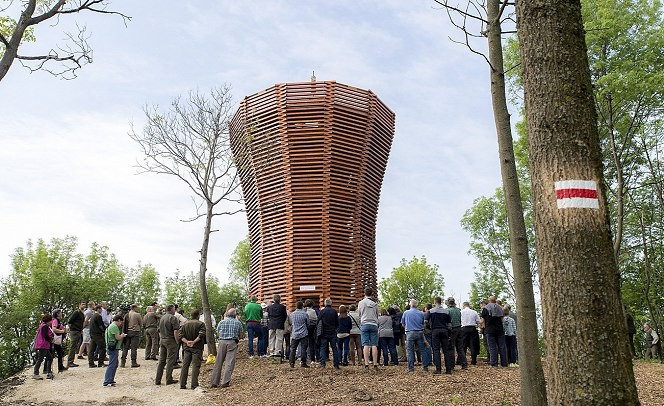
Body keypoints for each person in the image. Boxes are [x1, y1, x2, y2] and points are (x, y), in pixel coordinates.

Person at [211, 308, 243, 388]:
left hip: (222, 342)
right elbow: (241, 334)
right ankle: (225, 382)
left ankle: (214, 382)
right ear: (235, 315)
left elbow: (218, 331)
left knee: (218, 362)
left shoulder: (221, 322)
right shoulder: (238, 323)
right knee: (229, 362)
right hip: (232, 342)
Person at [179, 309, 206, 390]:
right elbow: (201, 334)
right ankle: (194, 384)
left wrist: (187, 342)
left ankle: (182, 384)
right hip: (197, 347)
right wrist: (194, 342)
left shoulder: (185, 324)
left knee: (185, 365)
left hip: (186, 347)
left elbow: (181, 335)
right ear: (198, 315)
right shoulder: (201, 324)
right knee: (195, 366)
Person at [401, 299, 430, 373]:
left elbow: (403, 324)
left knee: (410, 351)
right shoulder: (421, 313)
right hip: (420, 332)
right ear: (417, 305)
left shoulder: (406, 313)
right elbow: (423, 324)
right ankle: (425, 368)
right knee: (422, 350)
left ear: (410, 304)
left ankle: (411, 369)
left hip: (410, 332)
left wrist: (407, 327)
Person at [427, 297, 453, 374]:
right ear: (441, 302)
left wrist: (429, 328)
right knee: (446, 350)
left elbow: (425, 321)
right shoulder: (446, 311)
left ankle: (438, 369)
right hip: (444, 330)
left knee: (436, 350)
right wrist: (449, 333)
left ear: (435, 302)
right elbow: (449, 324)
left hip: (435, 330)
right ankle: (448, 369)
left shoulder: (431, 311)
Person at [155, 304, 180, 385]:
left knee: (162, 360)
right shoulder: (173, 318)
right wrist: (177, 341)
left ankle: (157, 380)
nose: (175, 311)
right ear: (171, 309)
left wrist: (161, 338)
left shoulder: (162, 318)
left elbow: (158, 330)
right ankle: (168, 379)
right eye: (174, 309)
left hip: (162, 340)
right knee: (170, 360)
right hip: (170, 340)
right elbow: (176, 331)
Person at [481, 296, 508, 367]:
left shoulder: (485, 308)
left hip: (489, 329)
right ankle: (504, 363)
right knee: (502, 346)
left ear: (489, 300)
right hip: (499, 329)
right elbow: (502, 319)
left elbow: (482, 320)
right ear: (495, 300)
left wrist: (482, 327)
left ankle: (494, 363)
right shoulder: (500, 308)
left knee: (492, 347)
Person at [358, 287, 380, 370]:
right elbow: (377, 314)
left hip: (364, 324)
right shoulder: (375, 304)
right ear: (372, 293)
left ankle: (366, 364)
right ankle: (375, 364)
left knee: (365, 345)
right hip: (373, 324)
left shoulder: (361, 303)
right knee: (374, 345)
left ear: (364, 293)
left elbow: (359, 314)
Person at [104, 314, 126, 387]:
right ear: (119, 320)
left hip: (111, 347)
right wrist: (122, 336)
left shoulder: (110, 326)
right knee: (112, 364)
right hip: (113, 348)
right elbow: (117, 337)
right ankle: (107, 381)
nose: (121, 324)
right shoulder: (114, 327)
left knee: (115, 363)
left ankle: (110, 379)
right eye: (121, 322)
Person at [318, 298, 340, 369]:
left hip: (324, 332)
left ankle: (323, 364)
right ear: (331, 303)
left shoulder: (322, 311)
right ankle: (336, 364)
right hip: (332, 332)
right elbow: (337, 323)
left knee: (323, 348)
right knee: (334, 348)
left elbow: (318, 321)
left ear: (325, 304)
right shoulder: (334, 311)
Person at [289, 300, 310, 368]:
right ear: (302, 306)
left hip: (295, 334)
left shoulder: (292, 314)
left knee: (293, 349)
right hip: (304, 333)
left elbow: (291, 323)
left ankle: (292, 363)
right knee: (304, 349)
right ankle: (303, 363)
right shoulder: (305, 314)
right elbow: (308, 324)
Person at [33, 314, 54, 380]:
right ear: (48, 320)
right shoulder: (45, 326)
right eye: (51, 320)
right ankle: (36, 373)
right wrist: (51, 340)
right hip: (43, 345)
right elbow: (45, 336)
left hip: (43, 345)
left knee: (50, 358)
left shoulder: (42, 325)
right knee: (40, 359)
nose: (51, 321)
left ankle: (49, 372)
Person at [446, 297, 466, 369]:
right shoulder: (458, 310)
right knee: (460, 348)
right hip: (459, 328)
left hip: (452, 330)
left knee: (451, 347)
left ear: (448, 303)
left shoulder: (447, 311)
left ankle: (452, 365)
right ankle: (464, 364)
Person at [121, 304, 142, 368]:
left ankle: (122, 363)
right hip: (135, 332)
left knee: (125, 348)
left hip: (127, 332)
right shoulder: (137, 315)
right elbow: (141, 324)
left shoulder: (126, 315)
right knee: (133, 348)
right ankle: (133, 362)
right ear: (134, 308)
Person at [66, 302, 86, 368]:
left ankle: (71, 361)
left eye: (84, 304)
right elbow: (70, 320)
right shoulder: (76, 312)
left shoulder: (82, 313)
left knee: (75, 346)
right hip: (74, 331)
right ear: (79, 305)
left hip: (79, 331)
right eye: (82, 304)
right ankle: (70, 362)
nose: (83, 305)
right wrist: (72, 328)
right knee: (73, 346)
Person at [460, 301, 481, 365]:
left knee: (463, 345)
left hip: (464, 329)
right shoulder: (474, 312)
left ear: (463, 306)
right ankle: (474, 360)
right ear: (469, 305)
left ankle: (463, 360)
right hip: (472, 328)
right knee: (473, 344)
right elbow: (478, 321)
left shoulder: (461, 312)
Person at [305, 299, 319, 364]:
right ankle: (312, 358)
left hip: (306, 328)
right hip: (312, 328)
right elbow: (316, 319)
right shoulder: (313, 311)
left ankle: (305, 357)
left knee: (305, 343)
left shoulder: (304, 311)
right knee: (311, 343)